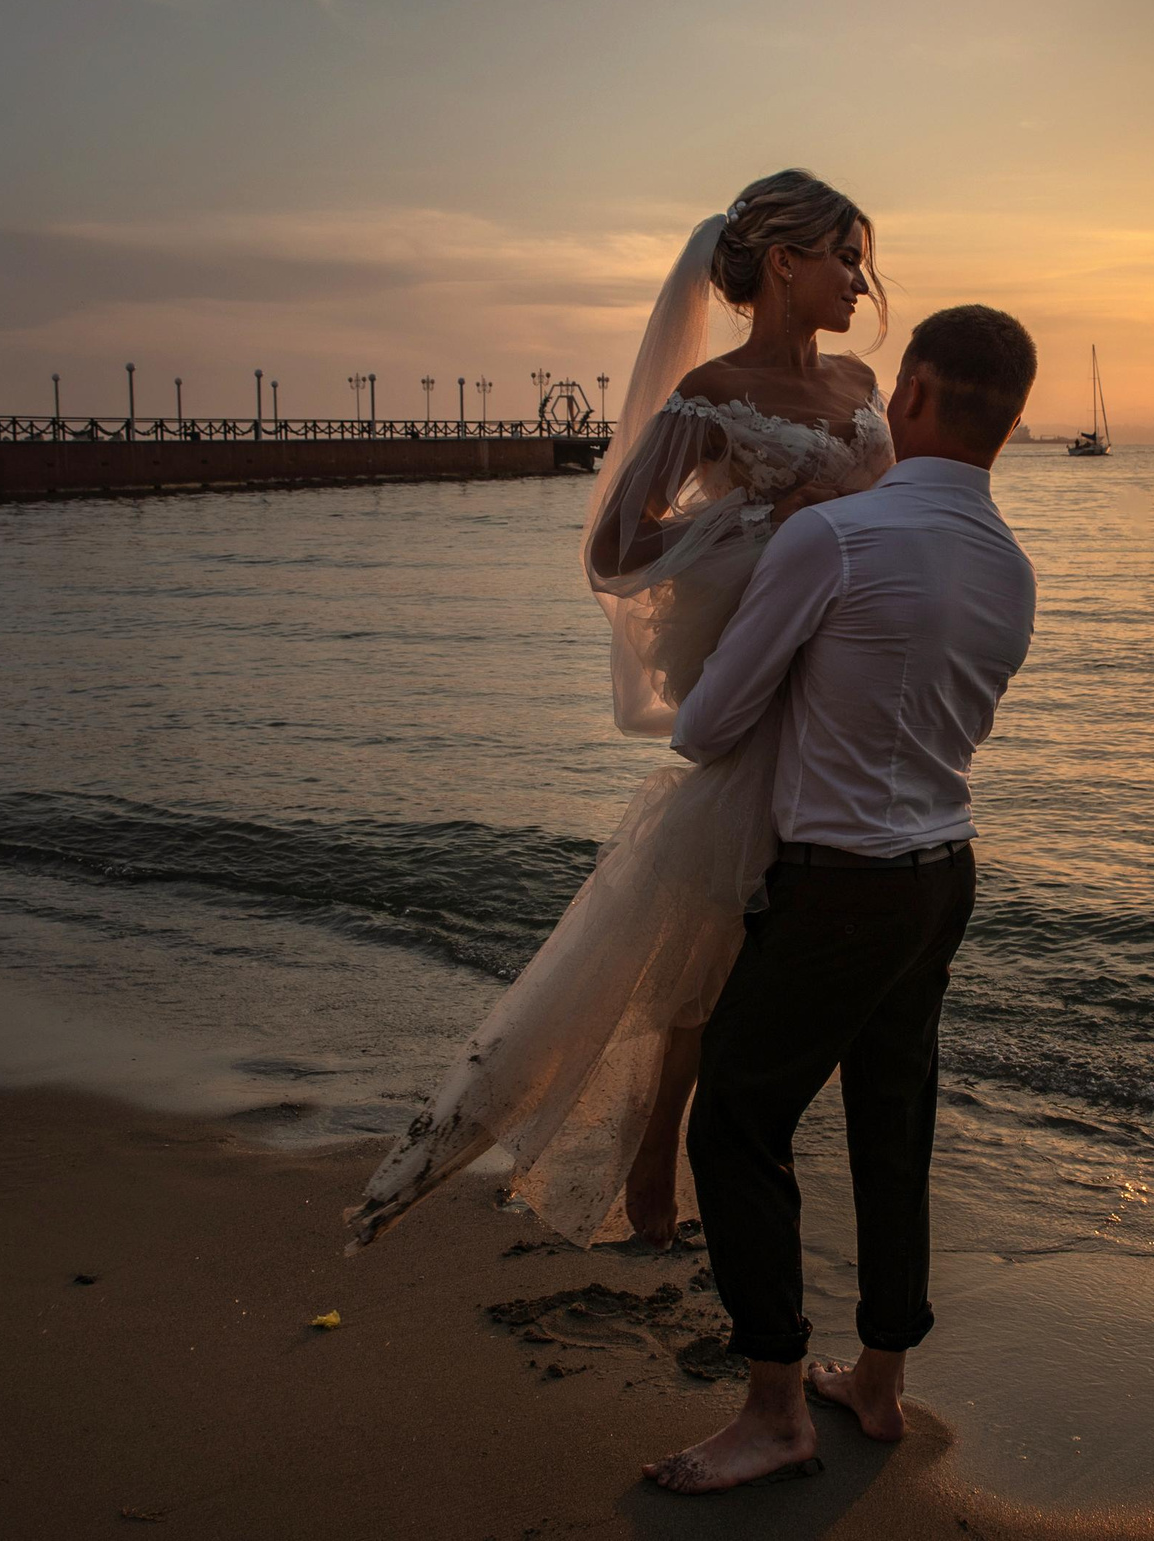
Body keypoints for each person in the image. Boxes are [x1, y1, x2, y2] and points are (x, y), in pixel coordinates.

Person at [344, 170, 897, 1253]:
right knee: (711, 960)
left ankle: (726, 1159)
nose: (859, 281)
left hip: (857, 688)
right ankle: (659, 1166)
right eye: (843, 255)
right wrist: (764, 519)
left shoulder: (863, 382)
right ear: (783, 261)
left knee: (785, 951)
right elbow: (613, 548)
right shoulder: (708, 396)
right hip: (767, 688)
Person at [642, 304, 1039, 1494]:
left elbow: (707, 727)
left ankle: (773, 1406)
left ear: (910, 395)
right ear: (1010, 424)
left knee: (734, 1124)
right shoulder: (1013, 569)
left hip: (841, 882)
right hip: (941, 873)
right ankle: (877, 1376)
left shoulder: (836, 541)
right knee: (892, 1116)